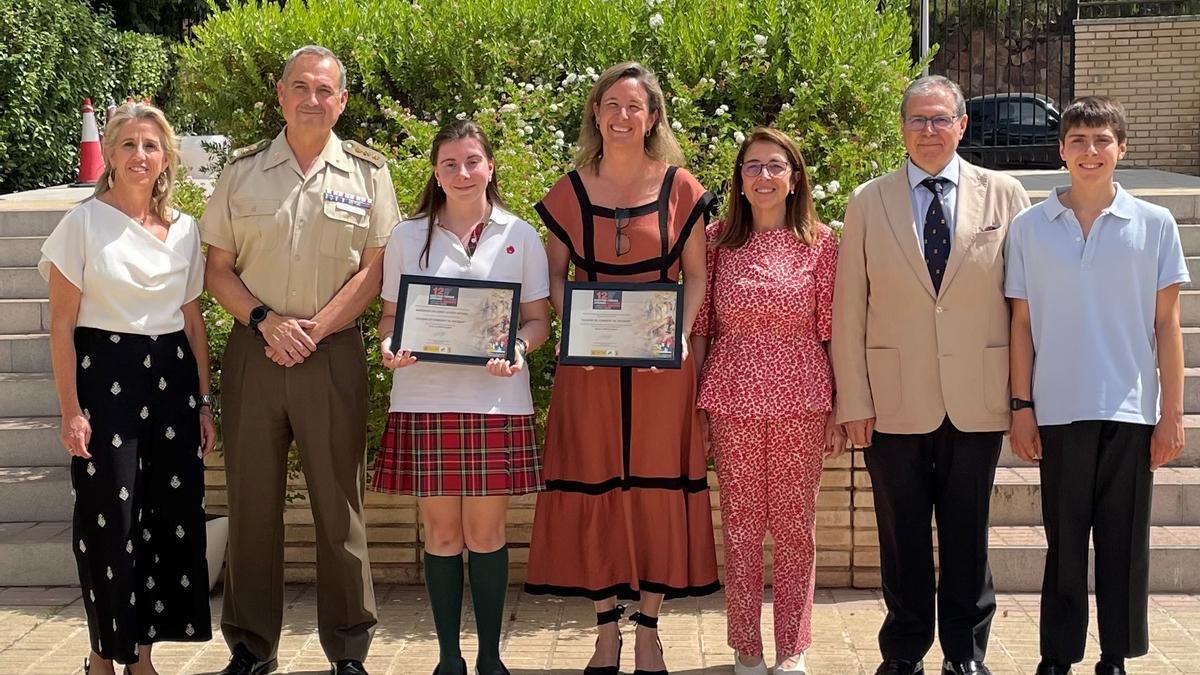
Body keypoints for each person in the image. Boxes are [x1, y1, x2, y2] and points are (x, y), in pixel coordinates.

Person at [200, 45, 401, 675]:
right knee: (252, 504)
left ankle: (349, 649)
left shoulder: (369, 174)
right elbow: (217, 268)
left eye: (324, 89)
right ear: (281, 94)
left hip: (331, 353)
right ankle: (250, 647)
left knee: (339, 508)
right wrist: (267, 321)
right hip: (255, 351)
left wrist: (317, 328)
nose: (312, 99)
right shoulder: (242, 172)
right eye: (301, 87)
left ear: (342, 101)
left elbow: (376, 269)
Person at [523, 61, 720, 675]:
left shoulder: (682, 189)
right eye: (611, 104)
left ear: (653, 116)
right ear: (596, 113)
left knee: (659, 488)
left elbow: (697, 277)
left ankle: (649, 632)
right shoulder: (570, 190)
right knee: (597, 484)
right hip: (591, 368)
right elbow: (554, 276)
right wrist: (584, 328)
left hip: (664, 369)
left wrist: (679, 335)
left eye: (634, 106)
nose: (622, 116)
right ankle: (606, 629)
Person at [831, 75, 1031, 675]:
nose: (929, 130)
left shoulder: (1005, 194)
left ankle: (965, 654)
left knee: (969, 532)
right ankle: (904, 650)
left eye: (941, 119)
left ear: (962, 125)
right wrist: (853, 399)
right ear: (901, 128)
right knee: (901, 535)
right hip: (892, 398)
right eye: (917, 119)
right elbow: (849, 308)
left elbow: (1027, 304)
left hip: (978, 394)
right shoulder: (869, 200)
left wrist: (1025, 397)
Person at [1006, 96, 1188, 675]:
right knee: (1064, 544)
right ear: (1061, 151)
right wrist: (1021, 406)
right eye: (1079, 140)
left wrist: (1172, 414)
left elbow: (1167, 326)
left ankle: (1116, 655)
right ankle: (1058, 654)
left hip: (1131, 410)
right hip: (1057, 408)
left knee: (1124, 542)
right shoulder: (1029, 228)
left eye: (1102, 140)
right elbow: (1021, 324)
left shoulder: (1154, 224)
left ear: (1121, 148)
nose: (1090, 151)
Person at [370, 120, 551, 675]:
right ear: (435, 172)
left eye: (473, 161)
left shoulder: (521, 235)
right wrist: (388, 347)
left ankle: (491, 658)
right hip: (424, 400)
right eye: (450, 163)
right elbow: (391, 319)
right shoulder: (406, 236)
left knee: (487, 533)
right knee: (443, 534)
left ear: (490, 167)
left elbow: (538, 320)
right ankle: (449, 659)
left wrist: (518, 347)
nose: (463, 172)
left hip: (498, 403)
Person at [41, 102, 215, 675]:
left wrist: (204, 403)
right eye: (129, 145)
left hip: (172, 382)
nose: (141, 155)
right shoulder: (82, 224)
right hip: (105, 378)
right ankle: (102, 656)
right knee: (108, 522)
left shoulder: (185, 229)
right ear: (111, 156)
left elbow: (193, 322)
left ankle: (142, 657)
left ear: (166, 159)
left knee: (165, 518)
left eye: (151, 145)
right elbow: (61, 324)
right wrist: (71, 409)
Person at [691, 127, 845, 675]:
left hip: (801, 398)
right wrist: (696, 406)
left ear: (794, 178)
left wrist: (839, 407)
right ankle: (746, 646)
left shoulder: (821, 243)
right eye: (752, 166)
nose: (764, 176)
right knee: (740, 526)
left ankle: (792, 647)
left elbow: (832, 332)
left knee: (795, 527)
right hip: (731, 397)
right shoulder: (715, 243)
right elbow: (701, 327)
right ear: (739, 178)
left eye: (775, 166)